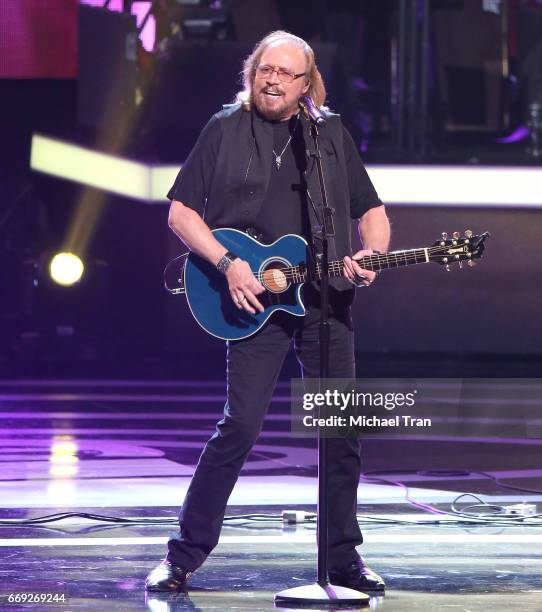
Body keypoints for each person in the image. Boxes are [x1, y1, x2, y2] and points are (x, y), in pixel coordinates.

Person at [145, 30, 391, 593]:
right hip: (251, 301)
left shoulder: (328, 135)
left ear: (307, 85)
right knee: (240, 427)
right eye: (264, 69)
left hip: (323, 301)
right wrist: (229, 262)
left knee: (341, 429)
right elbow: (181, 212)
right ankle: (182, 556)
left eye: (284, 73)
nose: (272, 79)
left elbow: (370, 210)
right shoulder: (224, 128)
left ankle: (341, 559)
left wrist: (371, 252)